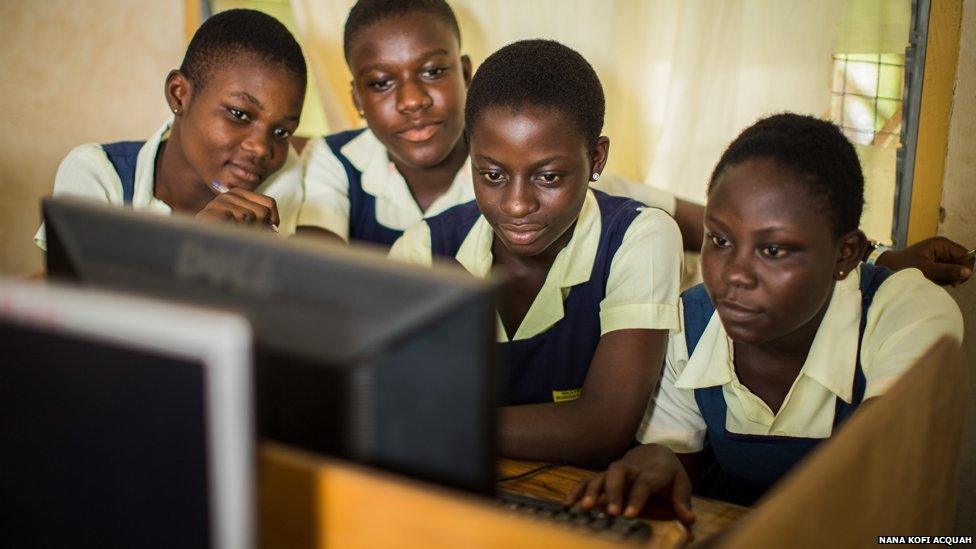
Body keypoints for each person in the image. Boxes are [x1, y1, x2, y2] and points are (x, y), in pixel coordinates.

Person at [566, 113, 964, 520]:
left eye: (772, 251)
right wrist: (656, 461)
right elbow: (677, 483)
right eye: (719, 240)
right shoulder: (688, 326)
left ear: (845, 254)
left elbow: (878, 483)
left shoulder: (908, 314)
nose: (734, 274)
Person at [390, 39, 682, 465]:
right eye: (492, 174)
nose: (516, 204)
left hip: (586, 499)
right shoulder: (426, 247)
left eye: (548, 177)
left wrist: (438, 424)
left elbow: (603, 426)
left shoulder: (639, 237)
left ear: (596, 158)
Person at [295, 0, 694, 249]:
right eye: (381, 83)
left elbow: (674, 214)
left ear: (466, 73)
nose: (413, 100)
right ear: (356, 99)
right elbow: (317, 275)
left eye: (433, 71)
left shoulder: (524, 164)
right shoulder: (333, 161)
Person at [35, 8, 307, 252]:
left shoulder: (289, 178)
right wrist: (189, 244)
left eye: (282, 132)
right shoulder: (100, 175)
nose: (261, 147)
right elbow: (75, 296)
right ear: (180, 95)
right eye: (239, 114)